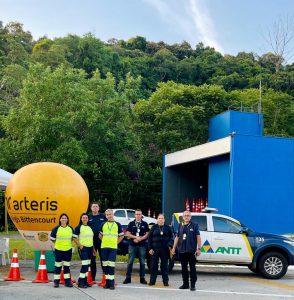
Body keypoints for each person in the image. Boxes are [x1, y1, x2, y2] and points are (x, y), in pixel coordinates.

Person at [171, 210, 202, 291]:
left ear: (190, 217)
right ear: (183, 217)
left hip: (191, 251)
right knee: (183, 268)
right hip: (181, 250)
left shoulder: (195, 225)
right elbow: (177, 237)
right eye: (185, 215)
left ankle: (192, 285)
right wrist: (174, 248)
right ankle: (185, 284)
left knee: (192, 268)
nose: (186, 217)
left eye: (188, 215)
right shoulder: (180, 225)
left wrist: (199, 248)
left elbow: (198, 237)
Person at [99, 209, 124, 290]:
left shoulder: (117, 224)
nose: (109, 216)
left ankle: (112, 283)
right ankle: (107, 283)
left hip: (113, 248)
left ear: (112, 214)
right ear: (106, 216)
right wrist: (104, 241)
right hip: (104, 247)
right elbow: (100, 235)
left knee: (111, 265)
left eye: (110, 214)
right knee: (105, 265)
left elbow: (121, 236)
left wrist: (115, 243)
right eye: (107, 215)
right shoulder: (103, 224)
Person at [123, 209, 149, 284]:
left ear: (141, 215)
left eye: (139, 214)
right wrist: (135, 237)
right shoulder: (131, 223)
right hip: (132, 245)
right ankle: (128, 278)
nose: (138, 216)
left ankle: (142, 278)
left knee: (142, 262)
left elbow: (147, 234)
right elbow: (127, 233)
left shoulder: (145, 224)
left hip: (142, 246)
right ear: (135, 215)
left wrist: (140, 239)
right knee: (130, 262)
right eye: (137, 214)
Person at [148, 214, 173, 287]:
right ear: (157, 219)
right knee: (153, 266)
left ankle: (165, 282)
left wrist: (170, 245)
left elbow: (172, 238)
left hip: (165, 250)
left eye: (162, 218)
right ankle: (152, 281)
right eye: (159, 218)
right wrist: (150, 248)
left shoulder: (168, 228)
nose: (161, 220)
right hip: (154, 250)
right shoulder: (154, 227)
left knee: (164, 266)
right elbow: (149, 238)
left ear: (164, 219)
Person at [50, 213, 74, 288]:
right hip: (59, 250)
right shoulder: (56, 228)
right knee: (58, 266)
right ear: (60, 219)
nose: (64, 219)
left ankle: (67, 282)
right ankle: (56, 282)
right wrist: (57, 243)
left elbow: (73, 238)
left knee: (67, 266)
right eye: (62, 218)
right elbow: (52, 238)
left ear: (67, 220)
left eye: (65, 218)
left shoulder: (70, 228)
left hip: (68, 250)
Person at [73, 213, 94, 288]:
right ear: (81, 219)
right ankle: (80, 282)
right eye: (83, 218)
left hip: (90, 248)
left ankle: (85, 282)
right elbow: (74, 237)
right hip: (83, 248)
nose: (85, 219)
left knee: (87, 265)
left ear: (88, 219)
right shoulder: (79, 227)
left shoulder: (90, 227)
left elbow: (91, 239)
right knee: (85, 265)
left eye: (86, 218)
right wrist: (80, 245)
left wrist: (93, 249)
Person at [88, 202, 107, 282]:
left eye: (96, 206)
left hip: (102, 241)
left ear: (99, 208)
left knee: (104, 259)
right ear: (91, 208)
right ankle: (92, 278)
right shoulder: (88, 217)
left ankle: (105, 277)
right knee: (92, 260)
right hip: (92, 242)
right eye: (93, 206)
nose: (95, 208)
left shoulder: (103, 216)